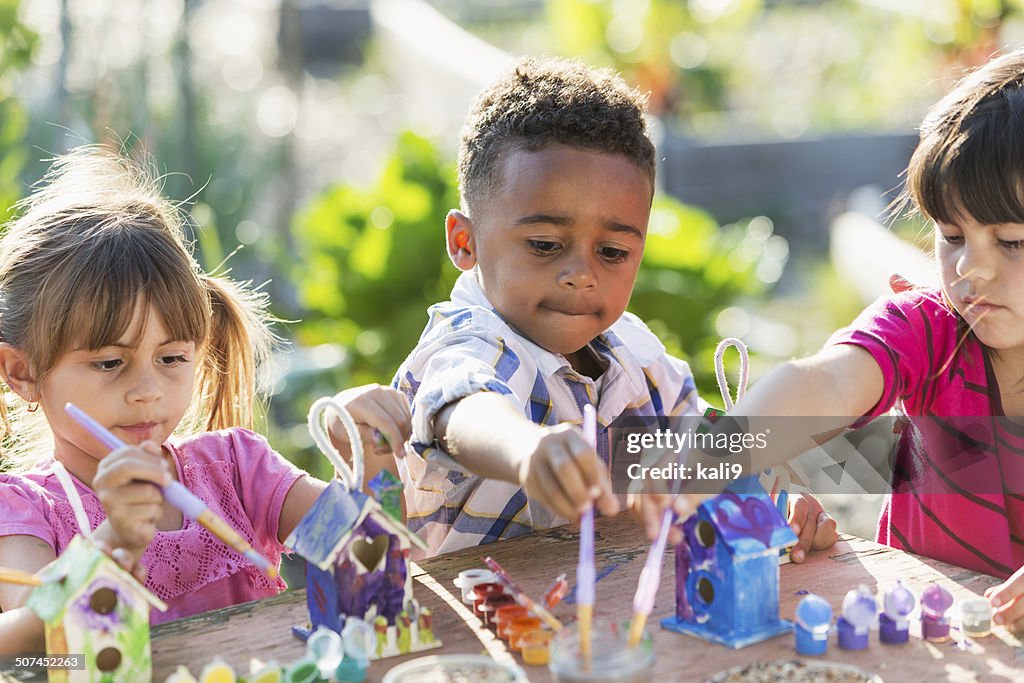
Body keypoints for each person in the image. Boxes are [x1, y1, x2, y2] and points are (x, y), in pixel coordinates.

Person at [393, 57, 835, 557]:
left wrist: (776, 503)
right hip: (479, 631)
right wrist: (525, 450)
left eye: (612, 253)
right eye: (544, 243)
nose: (582, 274)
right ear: (465, 242)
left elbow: (703, 456)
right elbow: (459, 409)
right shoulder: (470, 343)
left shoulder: (636, 357)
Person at [651, 47, 1024, 632]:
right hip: (921, 648)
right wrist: (713, 457)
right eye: (952, 235)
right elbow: (823, 384)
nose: (970, 270)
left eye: (1011, 242)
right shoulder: (931, 328)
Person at [0, 146, 410, 653]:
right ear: (22, 373)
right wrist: (112, 544)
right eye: (109, 363)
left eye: (171, 358)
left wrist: (370, 456)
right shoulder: (24, 510)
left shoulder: (239, 471)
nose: (148, 390)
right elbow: (22, 649)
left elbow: (369, 563)